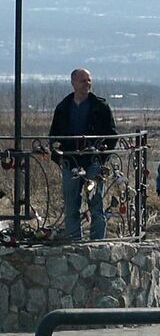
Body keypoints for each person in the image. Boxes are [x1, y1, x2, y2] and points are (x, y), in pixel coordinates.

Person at [49, 68, 118, 241]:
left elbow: (112, 135)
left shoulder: (100, 107)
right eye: (83, 81)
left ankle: (97, 242)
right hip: (71, 163)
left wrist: (101, 158)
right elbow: (54, 137)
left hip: (93, 162)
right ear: (73, 83)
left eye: (89, 80)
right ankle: (74, 241)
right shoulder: (63, 108)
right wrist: (61, 158)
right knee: (72, 205)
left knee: (96, 204)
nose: (87, 84)